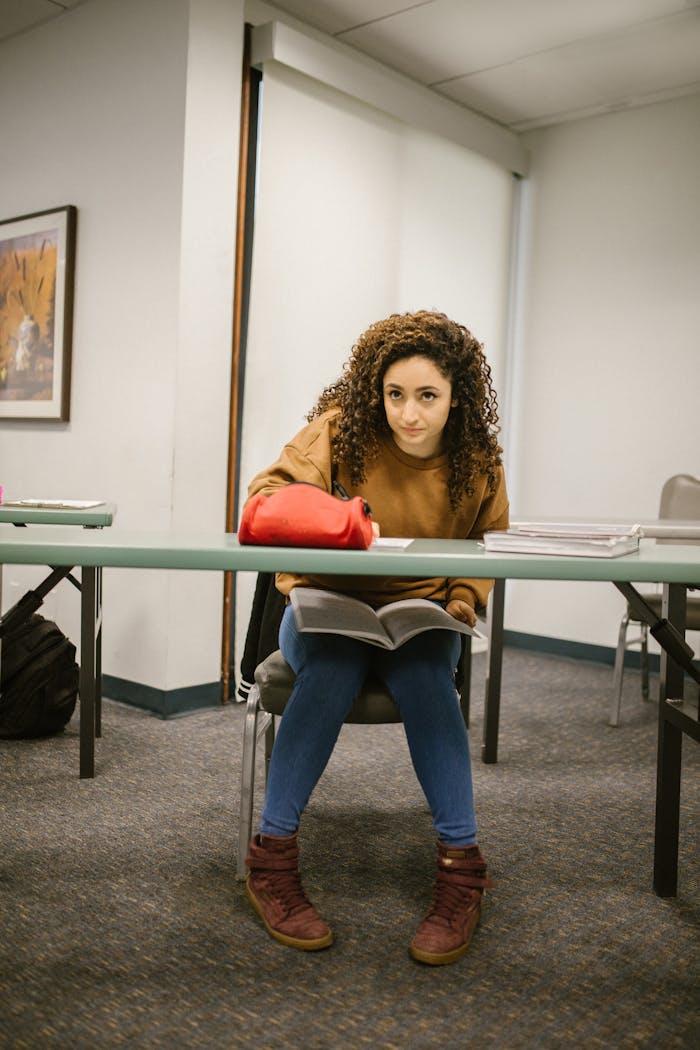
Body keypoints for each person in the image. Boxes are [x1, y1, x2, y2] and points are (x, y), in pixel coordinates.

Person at [243, 309, 509, 965]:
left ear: (457, 398)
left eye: (427, 396)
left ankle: (462, 870)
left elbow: (489, 546)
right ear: (375, 391)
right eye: (395, 395)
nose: (409, 414)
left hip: (419, 615)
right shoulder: (340, 432)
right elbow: (265, 498)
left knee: (426, 678)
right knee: (331, 669)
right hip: (325, 606)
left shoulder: (477, 461)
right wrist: (332, 517)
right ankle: (270, 862)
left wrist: (462, 598)